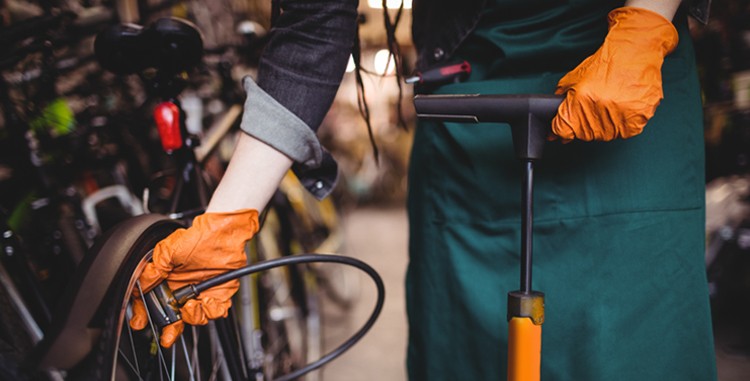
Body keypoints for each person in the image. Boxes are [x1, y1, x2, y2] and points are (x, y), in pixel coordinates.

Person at [129, 0, 718, 379]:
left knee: (632, 352)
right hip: (465, 104)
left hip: (626, 93)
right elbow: (311, 30)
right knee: (467, 357)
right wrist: (227, 218)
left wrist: (647, 23)